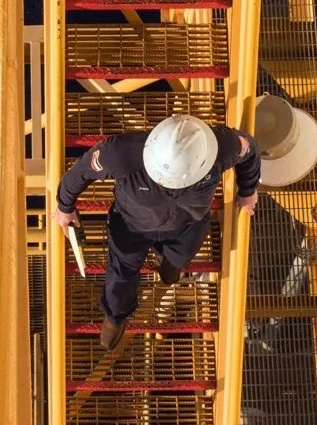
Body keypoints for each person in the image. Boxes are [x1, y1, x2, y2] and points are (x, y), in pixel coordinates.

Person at [53, 113, 260, 351]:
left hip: (187, 224)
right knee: (120, 275)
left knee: (180, 257)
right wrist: (64, 206)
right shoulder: (119, 154)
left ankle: (170, 265)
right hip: (129, 226)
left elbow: (250, 149)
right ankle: (116, 315)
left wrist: (248, 190)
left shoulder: (220, 146)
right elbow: (80, 173)